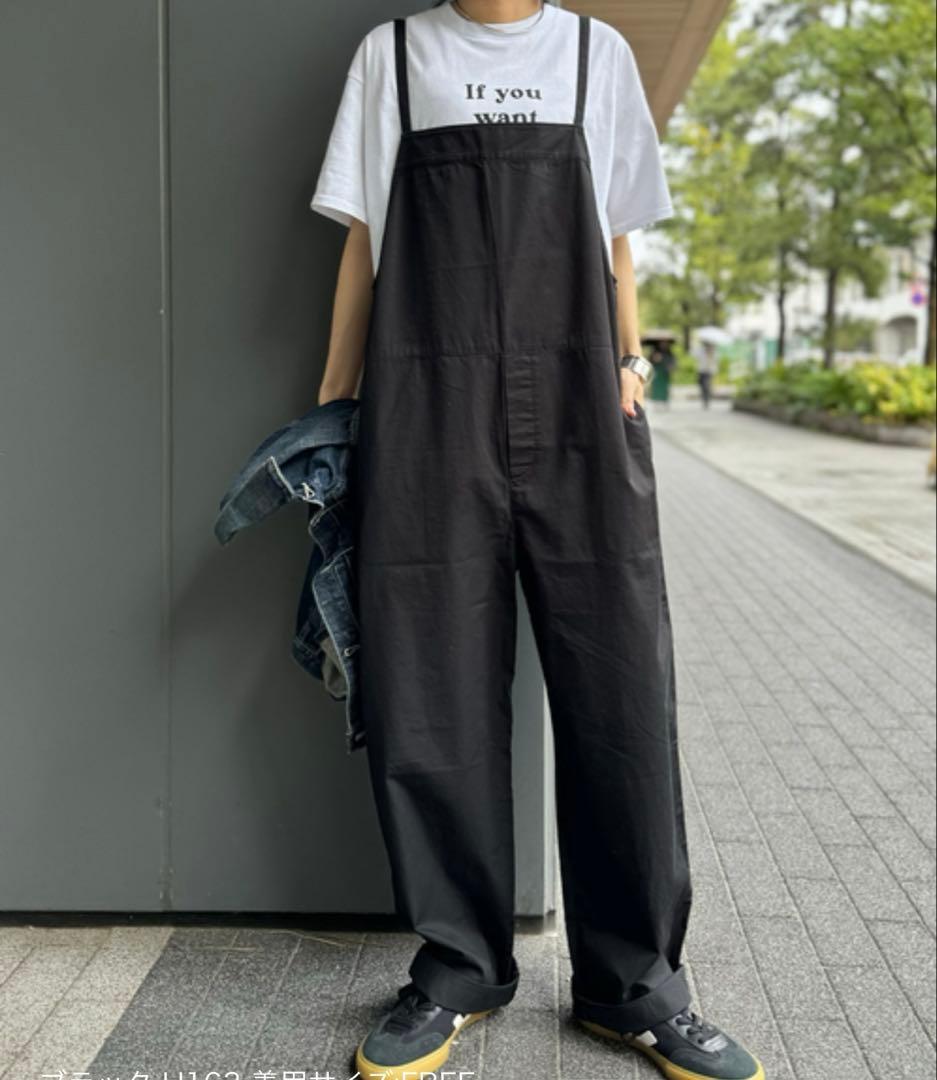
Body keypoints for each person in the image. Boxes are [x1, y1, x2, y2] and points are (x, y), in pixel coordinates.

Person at [310, 3, 763, 1079]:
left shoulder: (595, 53)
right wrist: (332, 411)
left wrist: (630, 364)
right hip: (426, 408)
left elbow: (613, 235)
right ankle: (458, 967)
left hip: (580, 409)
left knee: (622, 693)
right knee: (432, 694)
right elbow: (366, 241)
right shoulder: (395, 56)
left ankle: (633, 985)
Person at [648, 337, 678, 406]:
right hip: (656, 371)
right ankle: (656, 399)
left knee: (665, 386)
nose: (664, 344)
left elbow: (672, 360)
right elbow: (650, 360)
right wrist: (655, 358)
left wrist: (672, 367)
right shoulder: (655, 351)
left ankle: (664, 399)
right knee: (656, 386)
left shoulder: (669, 352)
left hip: (665, 372)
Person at [695, 339, 718, 408]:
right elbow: (696, 357)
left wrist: (711, 353)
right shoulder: (701, 351)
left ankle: (707, 400)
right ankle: (704, 398)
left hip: (709, 371)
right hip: (701, 370)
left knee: (707, 386)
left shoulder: (714, 352)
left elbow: (716, 361)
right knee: (701, 385)